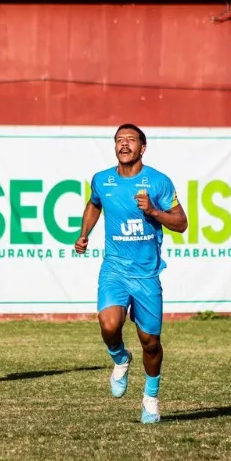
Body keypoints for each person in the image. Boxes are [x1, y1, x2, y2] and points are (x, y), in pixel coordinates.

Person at [74, 123, 188, 424]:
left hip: (146, 275)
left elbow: (181, 222)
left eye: (131, 140)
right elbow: (94, 203)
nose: (124, 145)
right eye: (119, 140)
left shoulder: (159, 182)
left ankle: (150, 399)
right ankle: (121, 358)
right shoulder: (102, 180)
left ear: (143, 147)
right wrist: (84, 233)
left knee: (150, 342)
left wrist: (153, 211)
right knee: (109, 324)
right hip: (114, 268)